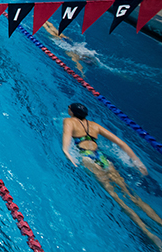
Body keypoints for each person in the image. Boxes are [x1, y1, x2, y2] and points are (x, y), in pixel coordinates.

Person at [62, 102, 162, 249]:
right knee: (132, 196)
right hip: (103, 159)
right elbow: (122, 143)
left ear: (72, 111)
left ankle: (150, 234)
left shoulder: (68, 121)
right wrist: (137, 162)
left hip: (88, 158)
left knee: (117, 197)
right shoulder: (95, 125)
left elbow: (67, 138)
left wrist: (66, 152)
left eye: (69, 108)